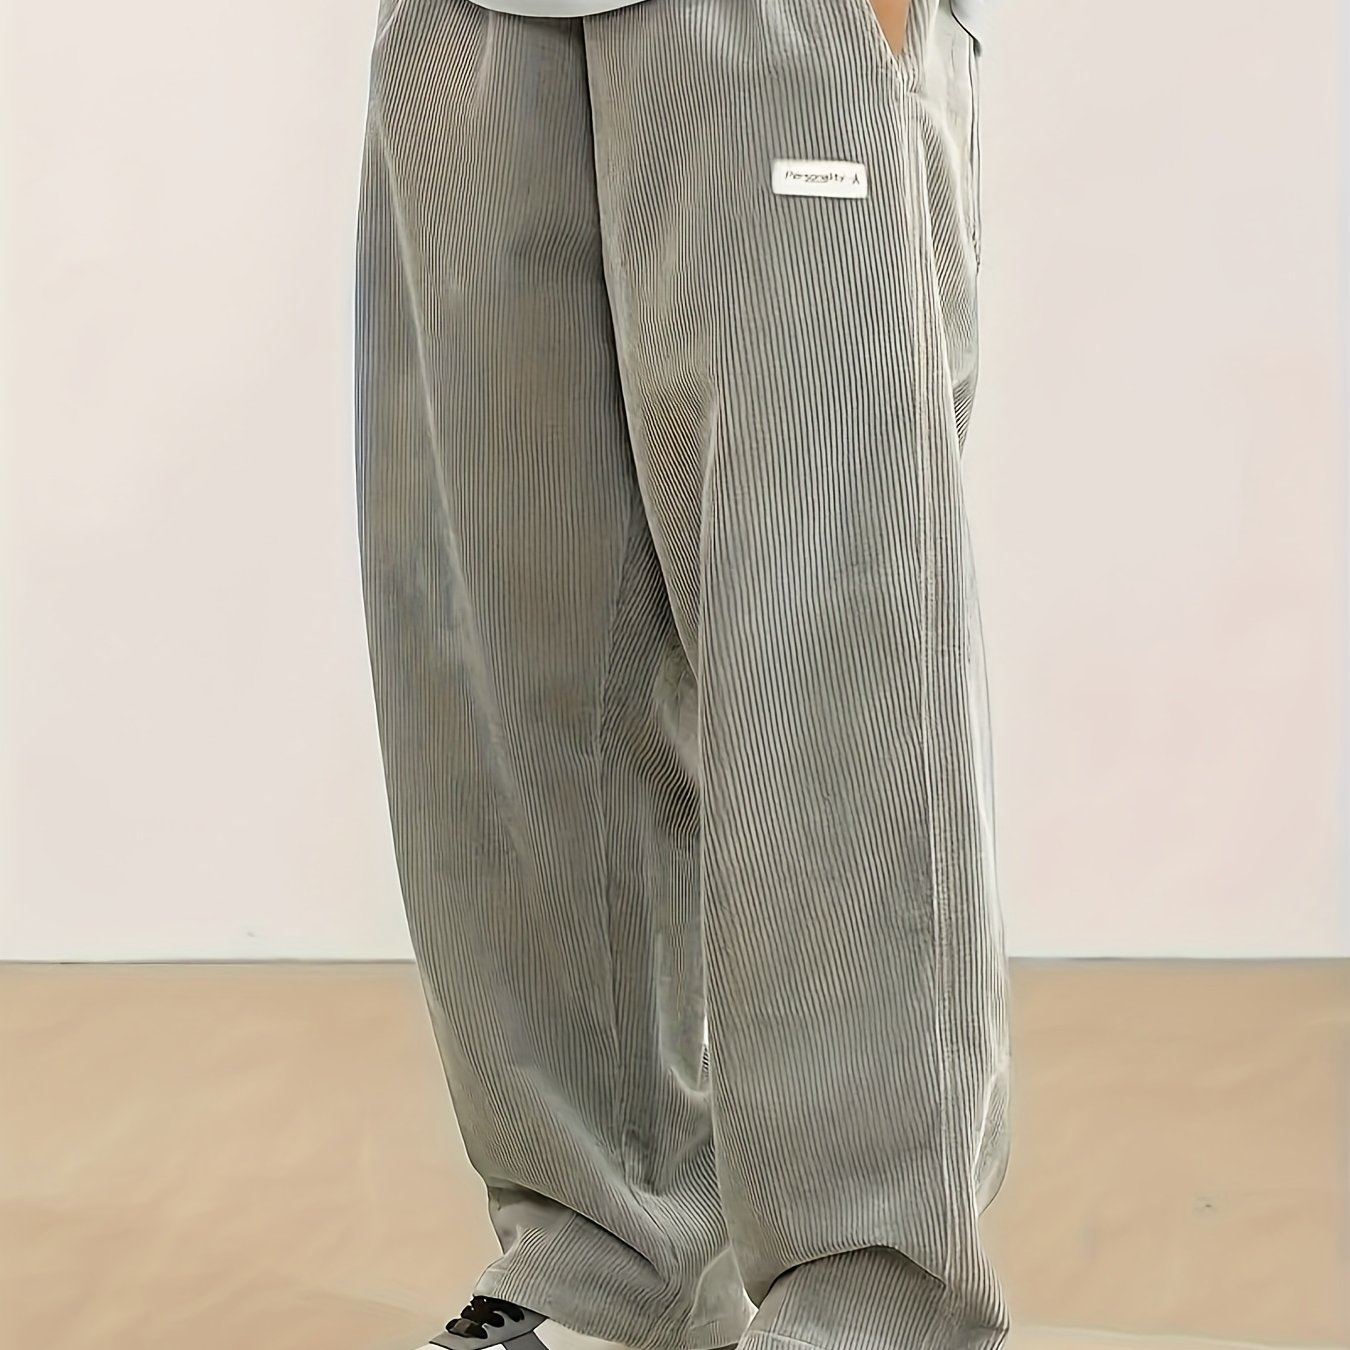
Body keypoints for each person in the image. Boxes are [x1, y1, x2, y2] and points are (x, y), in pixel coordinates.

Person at [354, 0, 1009, 1346]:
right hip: (468, 30)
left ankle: (878, 1296)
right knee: (504, 666)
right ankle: (609, 1254)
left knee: (825, 654)